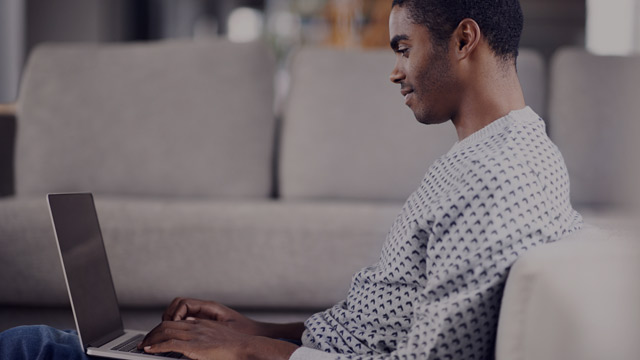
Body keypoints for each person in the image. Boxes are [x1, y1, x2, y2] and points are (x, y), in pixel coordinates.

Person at [0, 0, 583, 359]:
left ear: (464, 39)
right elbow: (378, 322)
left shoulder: (495, 177)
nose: (395, 70)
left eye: (403, 47)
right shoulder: (492, 156)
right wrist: (256, 327)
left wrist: (251, 353)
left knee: (30, 346)